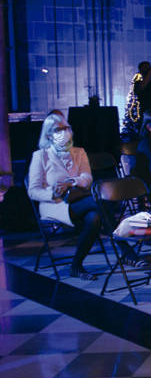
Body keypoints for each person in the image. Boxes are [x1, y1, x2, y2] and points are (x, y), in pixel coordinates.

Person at [28, 114, 102, 280]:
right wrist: (53, 193)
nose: (64, 132)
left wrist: (71, 182)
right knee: (100, 204)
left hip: (79, 199)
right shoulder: (40, 156)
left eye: (66, 128)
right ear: (49, 135)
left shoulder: (79, 152)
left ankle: (76, 266)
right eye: (59, 130)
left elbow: (87, 178)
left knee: (95, 217)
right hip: (55, 204)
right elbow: (33, 191)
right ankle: (126, 249)